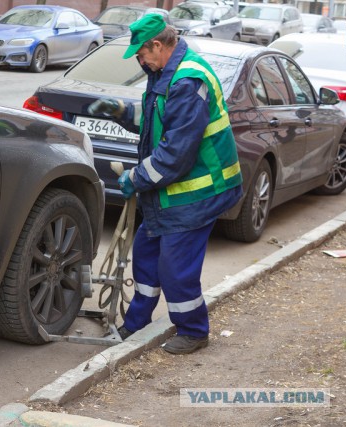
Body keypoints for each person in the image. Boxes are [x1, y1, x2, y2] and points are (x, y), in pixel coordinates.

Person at [87, 14, 243, 354]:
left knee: (175, 267)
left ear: (157, 45)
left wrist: (135, 178)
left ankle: (193, 330)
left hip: (199, 192)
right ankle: (137, 322)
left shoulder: (188, 80)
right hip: (173, 191)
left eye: (140, 54)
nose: (139, 61)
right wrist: (120, 112)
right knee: (145, 255)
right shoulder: (164, 74)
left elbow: (176, 154)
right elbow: (157, 120)